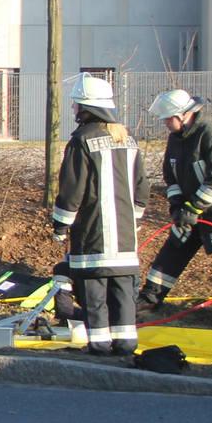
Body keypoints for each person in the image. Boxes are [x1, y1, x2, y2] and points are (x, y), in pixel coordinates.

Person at [137, 88, 212, 332]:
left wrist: (193, 206)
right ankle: (149, 298)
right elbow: (171, 177)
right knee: (174, 249)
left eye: (167, 118)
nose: (164, 123)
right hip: (190, 210)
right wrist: (177, 206)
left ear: (184, 115)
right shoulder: (177, 139)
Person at [51, 74, 145, 357]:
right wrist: (134, 221)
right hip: (126, 237)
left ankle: (100, 345)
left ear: (86, 108)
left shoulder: (82, 140)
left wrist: (60, 225)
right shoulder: (127, 139)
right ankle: (126, 343)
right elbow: (142, 188)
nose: (73, 110)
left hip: (94, 234)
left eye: (76, 104)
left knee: (94, 293)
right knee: (122, 293)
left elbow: (72, 189)